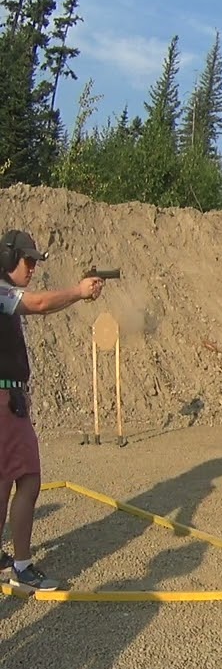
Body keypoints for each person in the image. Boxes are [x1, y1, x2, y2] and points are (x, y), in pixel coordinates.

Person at [0, 229, 104, 591]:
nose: (31, 268)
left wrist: (78, 296)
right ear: (9, 259)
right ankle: (22, 568)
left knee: (3, 481)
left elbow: (44, 306)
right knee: (28, 479)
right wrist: (77, 291)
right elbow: (41, 304)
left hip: (6, 398)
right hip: (4, 401)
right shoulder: (1, 292)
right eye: (27, 261)